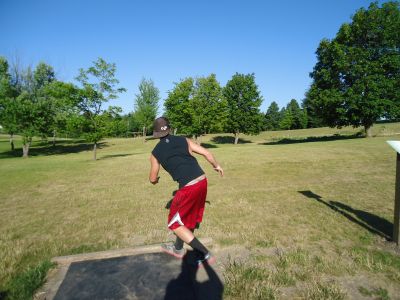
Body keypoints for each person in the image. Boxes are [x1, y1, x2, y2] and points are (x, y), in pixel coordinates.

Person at [149, 117, 223, 266]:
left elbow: (152, 178)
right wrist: (217, 166)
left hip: (189, 187)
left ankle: (204, 254)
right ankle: (178, 248)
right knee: (186, 218)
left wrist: (156, 180)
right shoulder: (184, 140)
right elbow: (207, 153)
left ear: (156, 133)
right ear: (169, 129)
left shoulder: (155, 153)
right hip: (202, 181)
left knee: (174, 223)